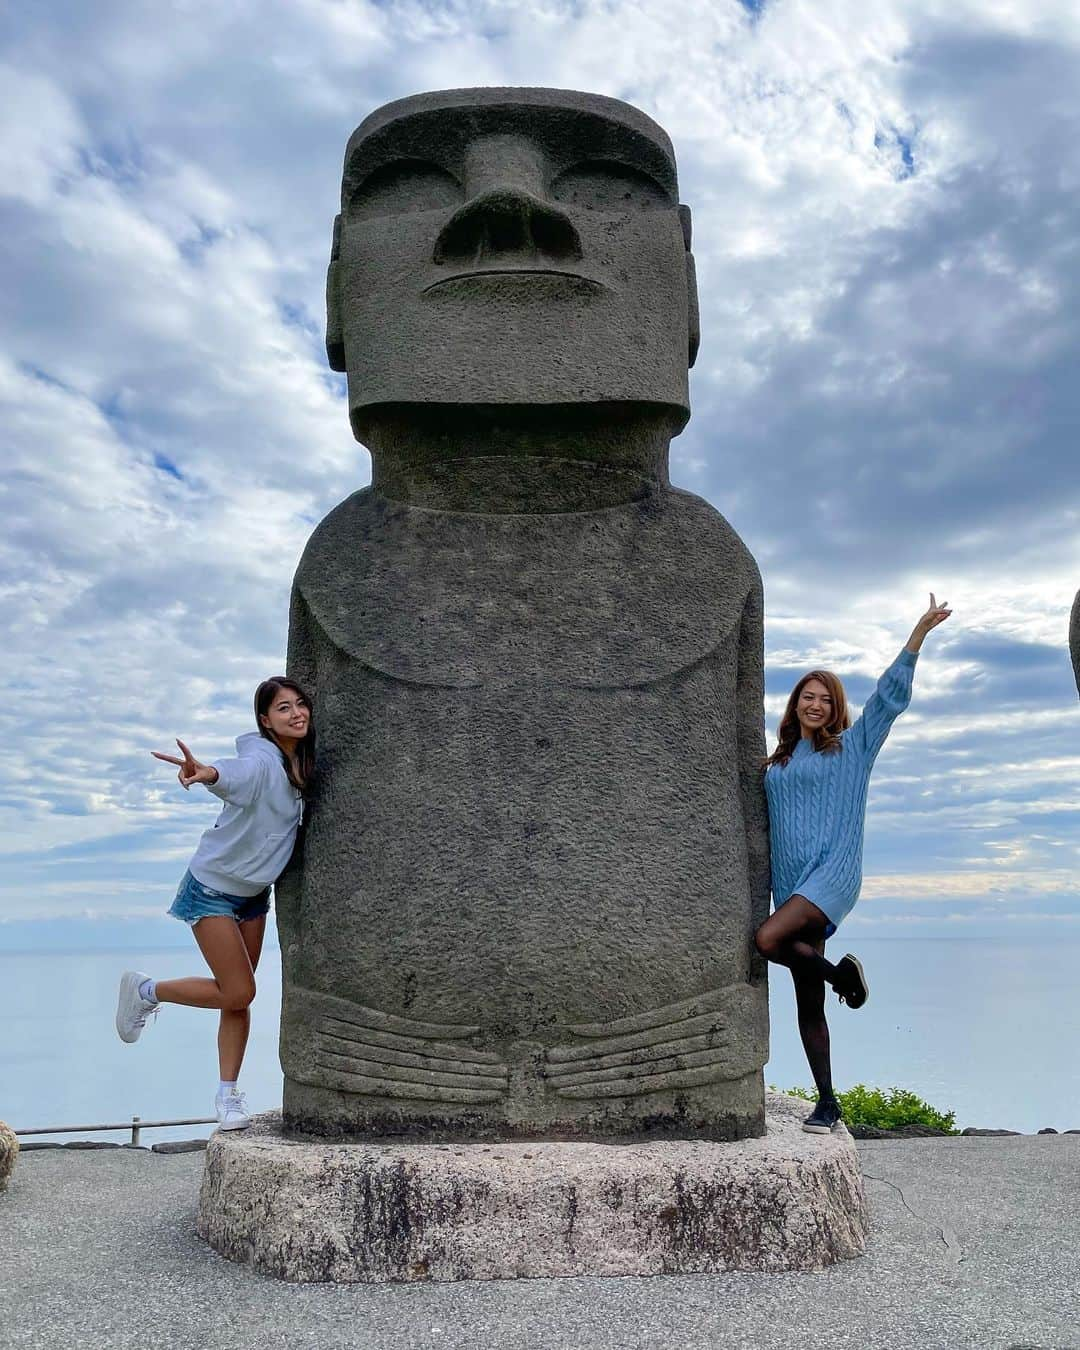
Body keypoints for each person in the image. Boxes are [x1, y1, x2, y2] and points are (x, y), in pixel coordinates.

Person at [755, 595, 952, 1135]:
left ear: (834, 706)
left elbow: (889, 700)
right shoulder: (776, 762)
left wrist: (917, 636)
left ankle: (846, 977)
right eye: (806, 697)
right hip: (793, 887)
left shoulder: (853, 748)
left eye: (824, 698)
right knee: (806, 999)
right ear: (794, 704)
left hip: (834, 877)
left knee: (767, 942)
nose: (814, 704)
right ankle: (827, 1102)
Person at [115, 677, 314, 1130]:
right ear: (265, 720)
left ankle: (228, 1098)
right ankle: (147, 991)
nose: (297, 713)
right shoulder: (263, 760)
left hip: (253, 896)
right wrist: (210, 775)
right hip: (210, 890)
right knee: (240, 990)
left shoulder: (297, 765)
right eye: (284, 708)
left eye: (301, 704)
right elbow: (238, 776)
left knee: (235, 999)